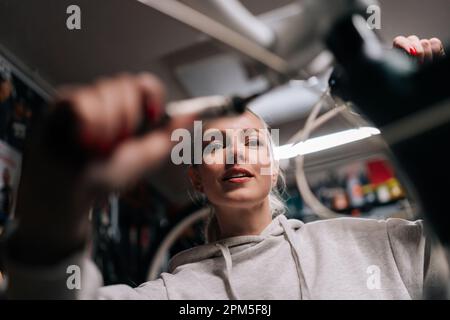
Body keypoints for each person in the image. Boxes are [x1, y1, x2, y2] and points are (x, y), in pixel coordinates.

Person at [2, 36, 449, 299]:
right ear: (194, 175)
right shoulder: (178, 294)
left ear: (274, 168)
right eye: (214, 144)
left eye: (253, 142)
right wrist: (52, 215)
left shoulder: (378, 246)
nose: (235, 155)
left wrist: (433, 130)